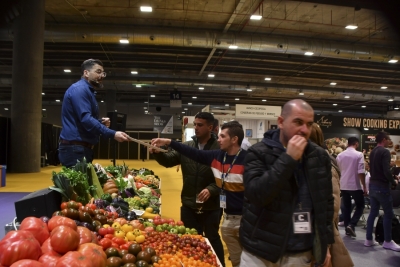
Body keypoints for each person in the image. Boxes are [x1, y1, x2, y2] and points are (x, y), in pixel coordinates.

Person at [239, 99, 334, 267]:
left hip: (300, 252)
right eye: (298, 122)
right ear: (281, 122)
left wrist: (325, 245)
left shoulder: (319, 156)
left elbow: (325, 203)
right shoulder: (258, 152)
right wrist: (288, 159)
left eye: (309, 124)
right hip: (260, 251)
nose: (305, 130)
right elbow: (256, 195)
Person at [152, 121, 247, 267]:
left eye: (222, 136)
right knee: (236, 260)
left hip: (247, 220)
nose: (219, 138)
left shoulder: (249, 160)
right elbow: (193, 153)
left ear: (234, 139)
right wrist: (169, 142)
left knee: (252, 260)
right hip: (228, 220)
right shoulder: (217, 156)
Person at [58, 59, 129, 167]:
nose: (102, 76)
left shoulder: (87, 91)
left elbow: (82, 119)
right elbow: (86, 119)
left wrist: (100, 122)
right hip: (75, 149)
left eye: (103, 73)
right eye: (98, 72)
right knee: (77, 184)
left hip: (81, 148)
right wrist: (112, 133)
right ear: (86, 73)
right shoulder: (80, 90)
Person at [309, 123, 354, 267]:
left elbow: (333, 203)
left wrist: (326, 240)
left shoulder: (325, 162)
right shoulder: (307, 160)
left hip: (321, 232)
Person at [365, 131, 400, 251]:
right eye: (389, 139)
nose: (390, 141)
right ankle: (388, 241)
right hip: (382, 187)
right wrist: (393, 181)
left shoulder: (373, 151)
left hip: (372, 186)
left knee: (373, 213)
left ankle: (368, 239)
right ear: (384, 139)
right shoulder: (385, 152)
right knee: (388, 214)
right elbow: (386, 171)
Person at [336, 137, 366, 238]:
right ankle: (351, 225)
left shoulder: (340, 155)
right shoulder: (359, 154)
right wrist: (364, 186)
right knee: (360, 205)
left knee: (346, 208)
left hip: (343, 185)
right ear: (356, 144)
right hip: (355, 185)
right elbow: (361, 172)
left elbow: (338, 170)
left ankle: (347, 229)